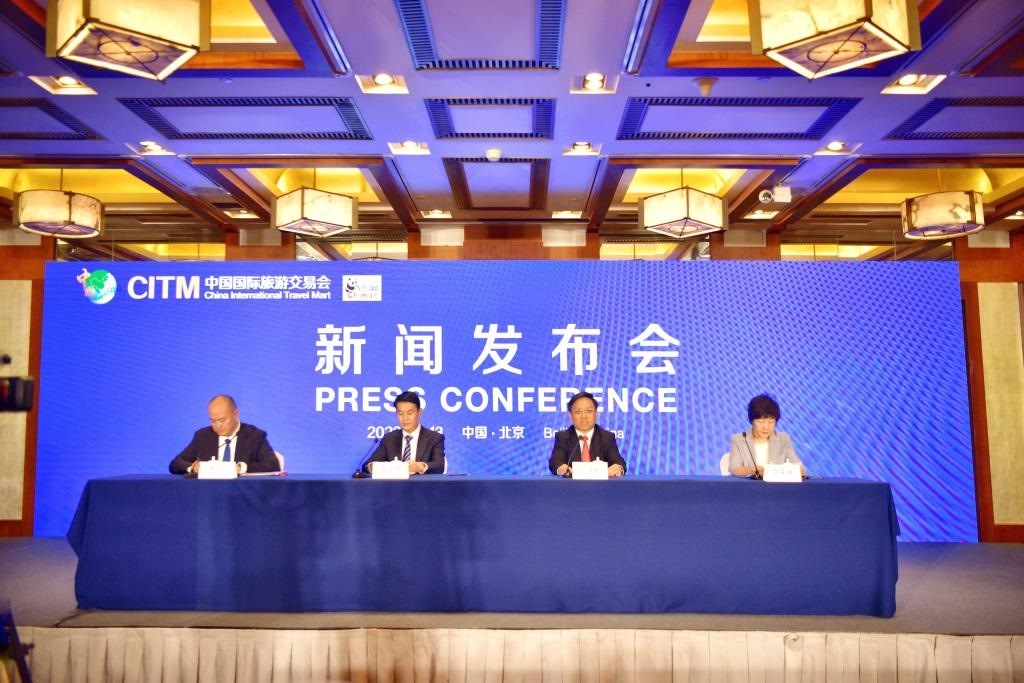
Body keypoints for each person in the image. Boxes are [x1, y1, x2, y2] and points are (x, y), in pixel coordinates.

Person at [168, 394, 280, 475]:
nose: (217, 426)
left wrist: (241, 468)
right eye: (212, 421)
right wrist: (193, 467)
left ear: (235, 414)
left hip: (242, 493)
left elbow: (273, 465)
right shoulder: (203, 436)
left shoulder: (255, 436)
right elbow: (176, 464)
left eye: (222, 420)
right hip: (209, 492)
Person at [363, 390, 446, 475]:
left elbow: (439, 466)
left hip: (422, 483)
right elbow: (367, 465)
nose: (405, 418)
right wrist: (375, 467)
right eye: (400, 413)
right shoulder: (389, 439)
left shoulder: (434, 438)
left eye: (410, 413)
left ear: (419, 412)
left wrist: (420, 466)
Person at [549, 391, 626, 477]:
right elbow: (555, 462)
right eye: (578, 412)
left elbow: (618, 461)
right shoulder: (563, 437)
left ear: (596, 414)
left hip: (601, 484)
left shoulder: (606, 437)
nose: (584, 416)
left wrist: (618, 468)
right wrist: (561, 468)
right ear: (570, 416)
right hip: (571, 484)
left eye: (589, 411)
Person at [728, 394, 804, 478]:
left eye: (771, 422)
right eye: (761, 421)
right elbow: (734, 469)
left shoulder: (783, 439)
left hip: (776, 485)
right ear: (751, 421)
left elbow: (800, 470)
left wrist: (796, 470)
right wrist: (752, 470)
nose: (766, 427)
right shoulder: (739, 439)